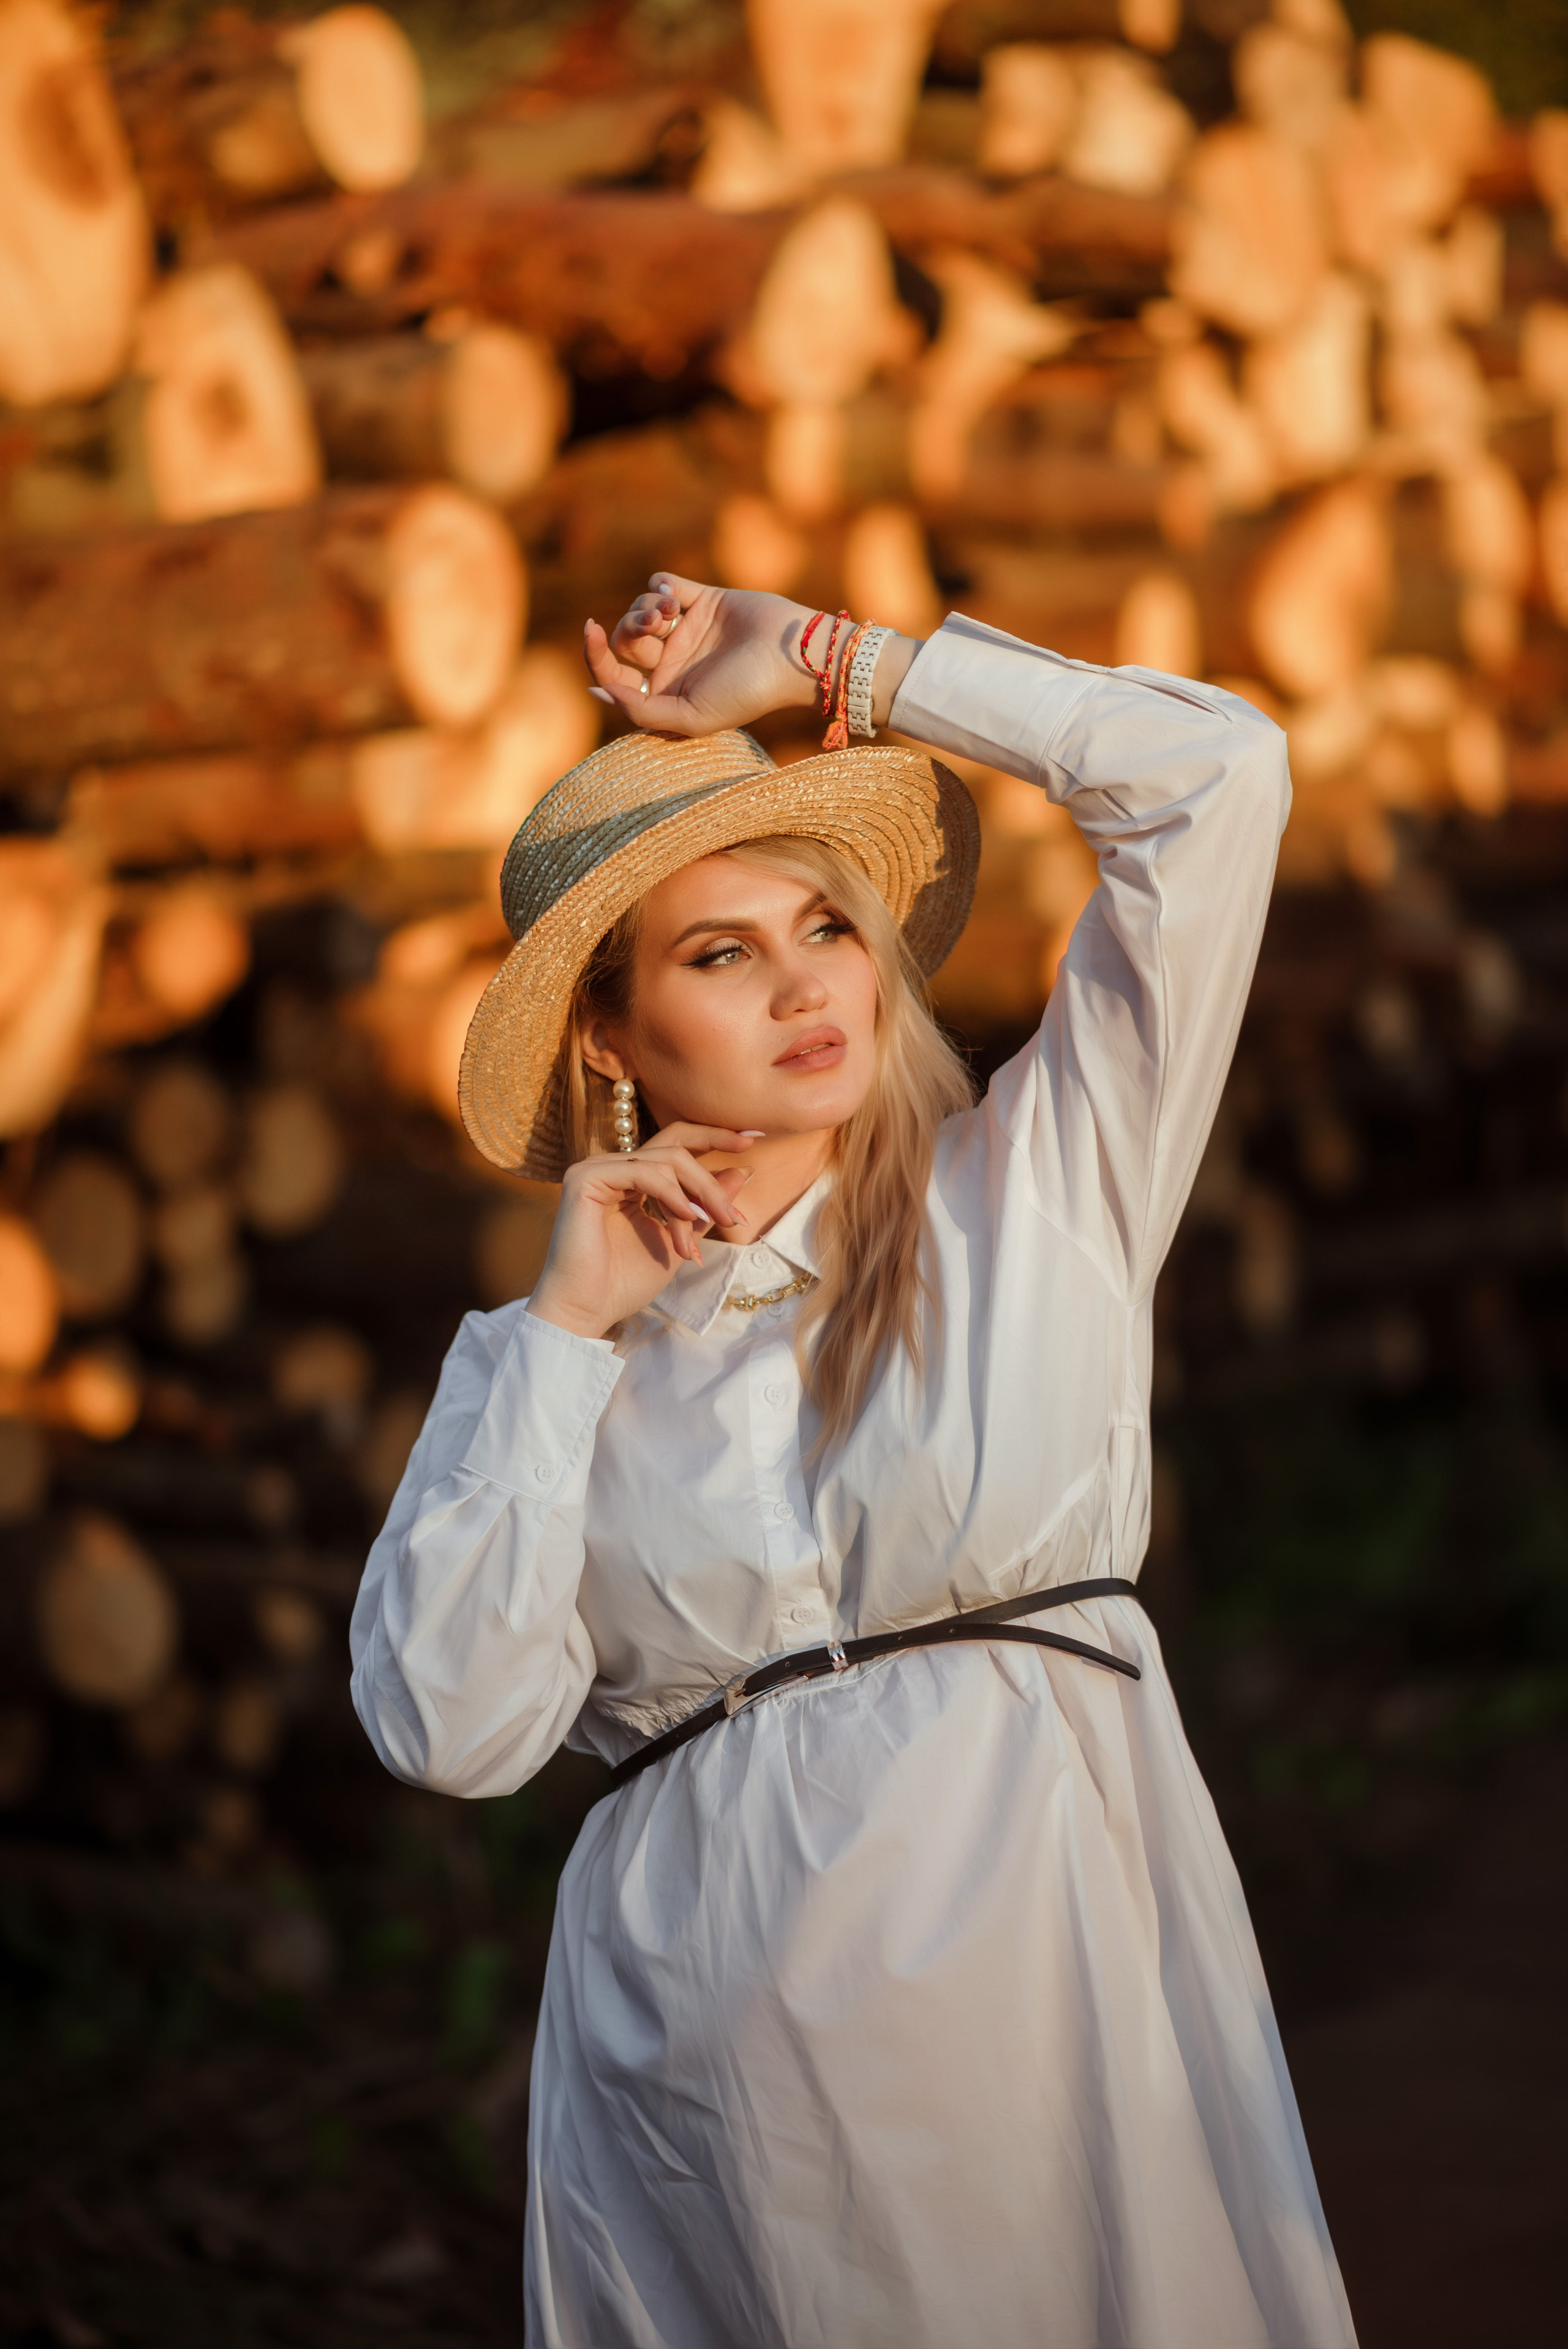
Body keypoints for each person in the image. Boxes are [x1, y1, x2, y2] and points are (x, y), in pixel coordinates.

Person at [350, 577, 1358, 2349]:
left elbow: (1222, 773)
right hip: (701, 2103)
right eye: (721, 953)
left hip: (1042, 2001)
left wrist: (837, 659)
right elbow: (447, 1728)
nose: (808, 981)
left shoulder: (1039, 1190)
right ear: (611, 1032)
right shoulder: (561, 1372)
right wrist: (566, 1335)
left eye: (826, 924)